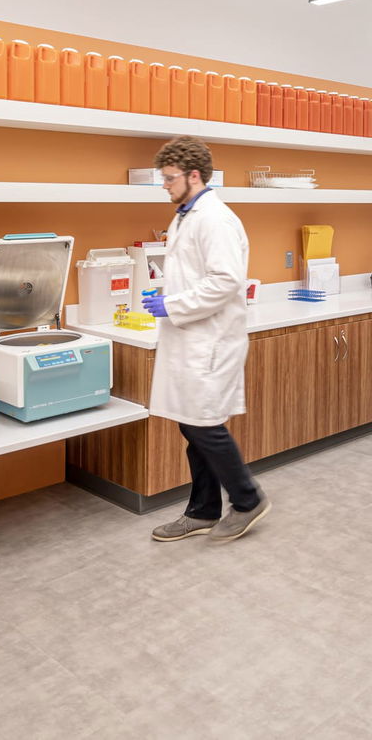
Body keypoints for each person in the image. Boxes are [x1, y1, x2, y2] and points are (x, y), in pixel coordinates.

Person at [141, 136, 269, 542]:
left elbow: (226, 280)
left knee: (205, 425)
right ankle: (203, 510)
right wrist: (167, 298)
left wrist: (175, 305)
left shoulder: (216, 219)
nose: (165, 185)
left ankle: (248, 499)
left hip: (211, 339)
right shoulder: (185, 215)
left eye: (170, 178)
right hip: (190, 336)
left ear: (193, 176)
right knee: (193, 425)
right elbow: (195, 273)